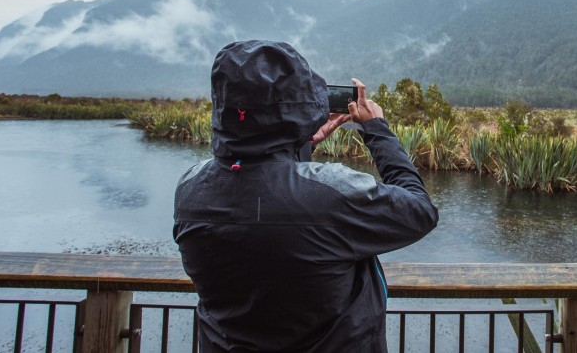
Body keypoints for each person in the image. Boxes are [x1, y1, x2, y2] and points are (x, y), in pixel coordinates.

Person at [173, 40, 439, 352]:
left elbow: (262, 188)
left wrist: (299, 146)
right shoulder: (331, 193)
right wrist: (377, 130)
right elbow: (420, 211)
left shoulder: (190, 190)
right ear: (299, 107)